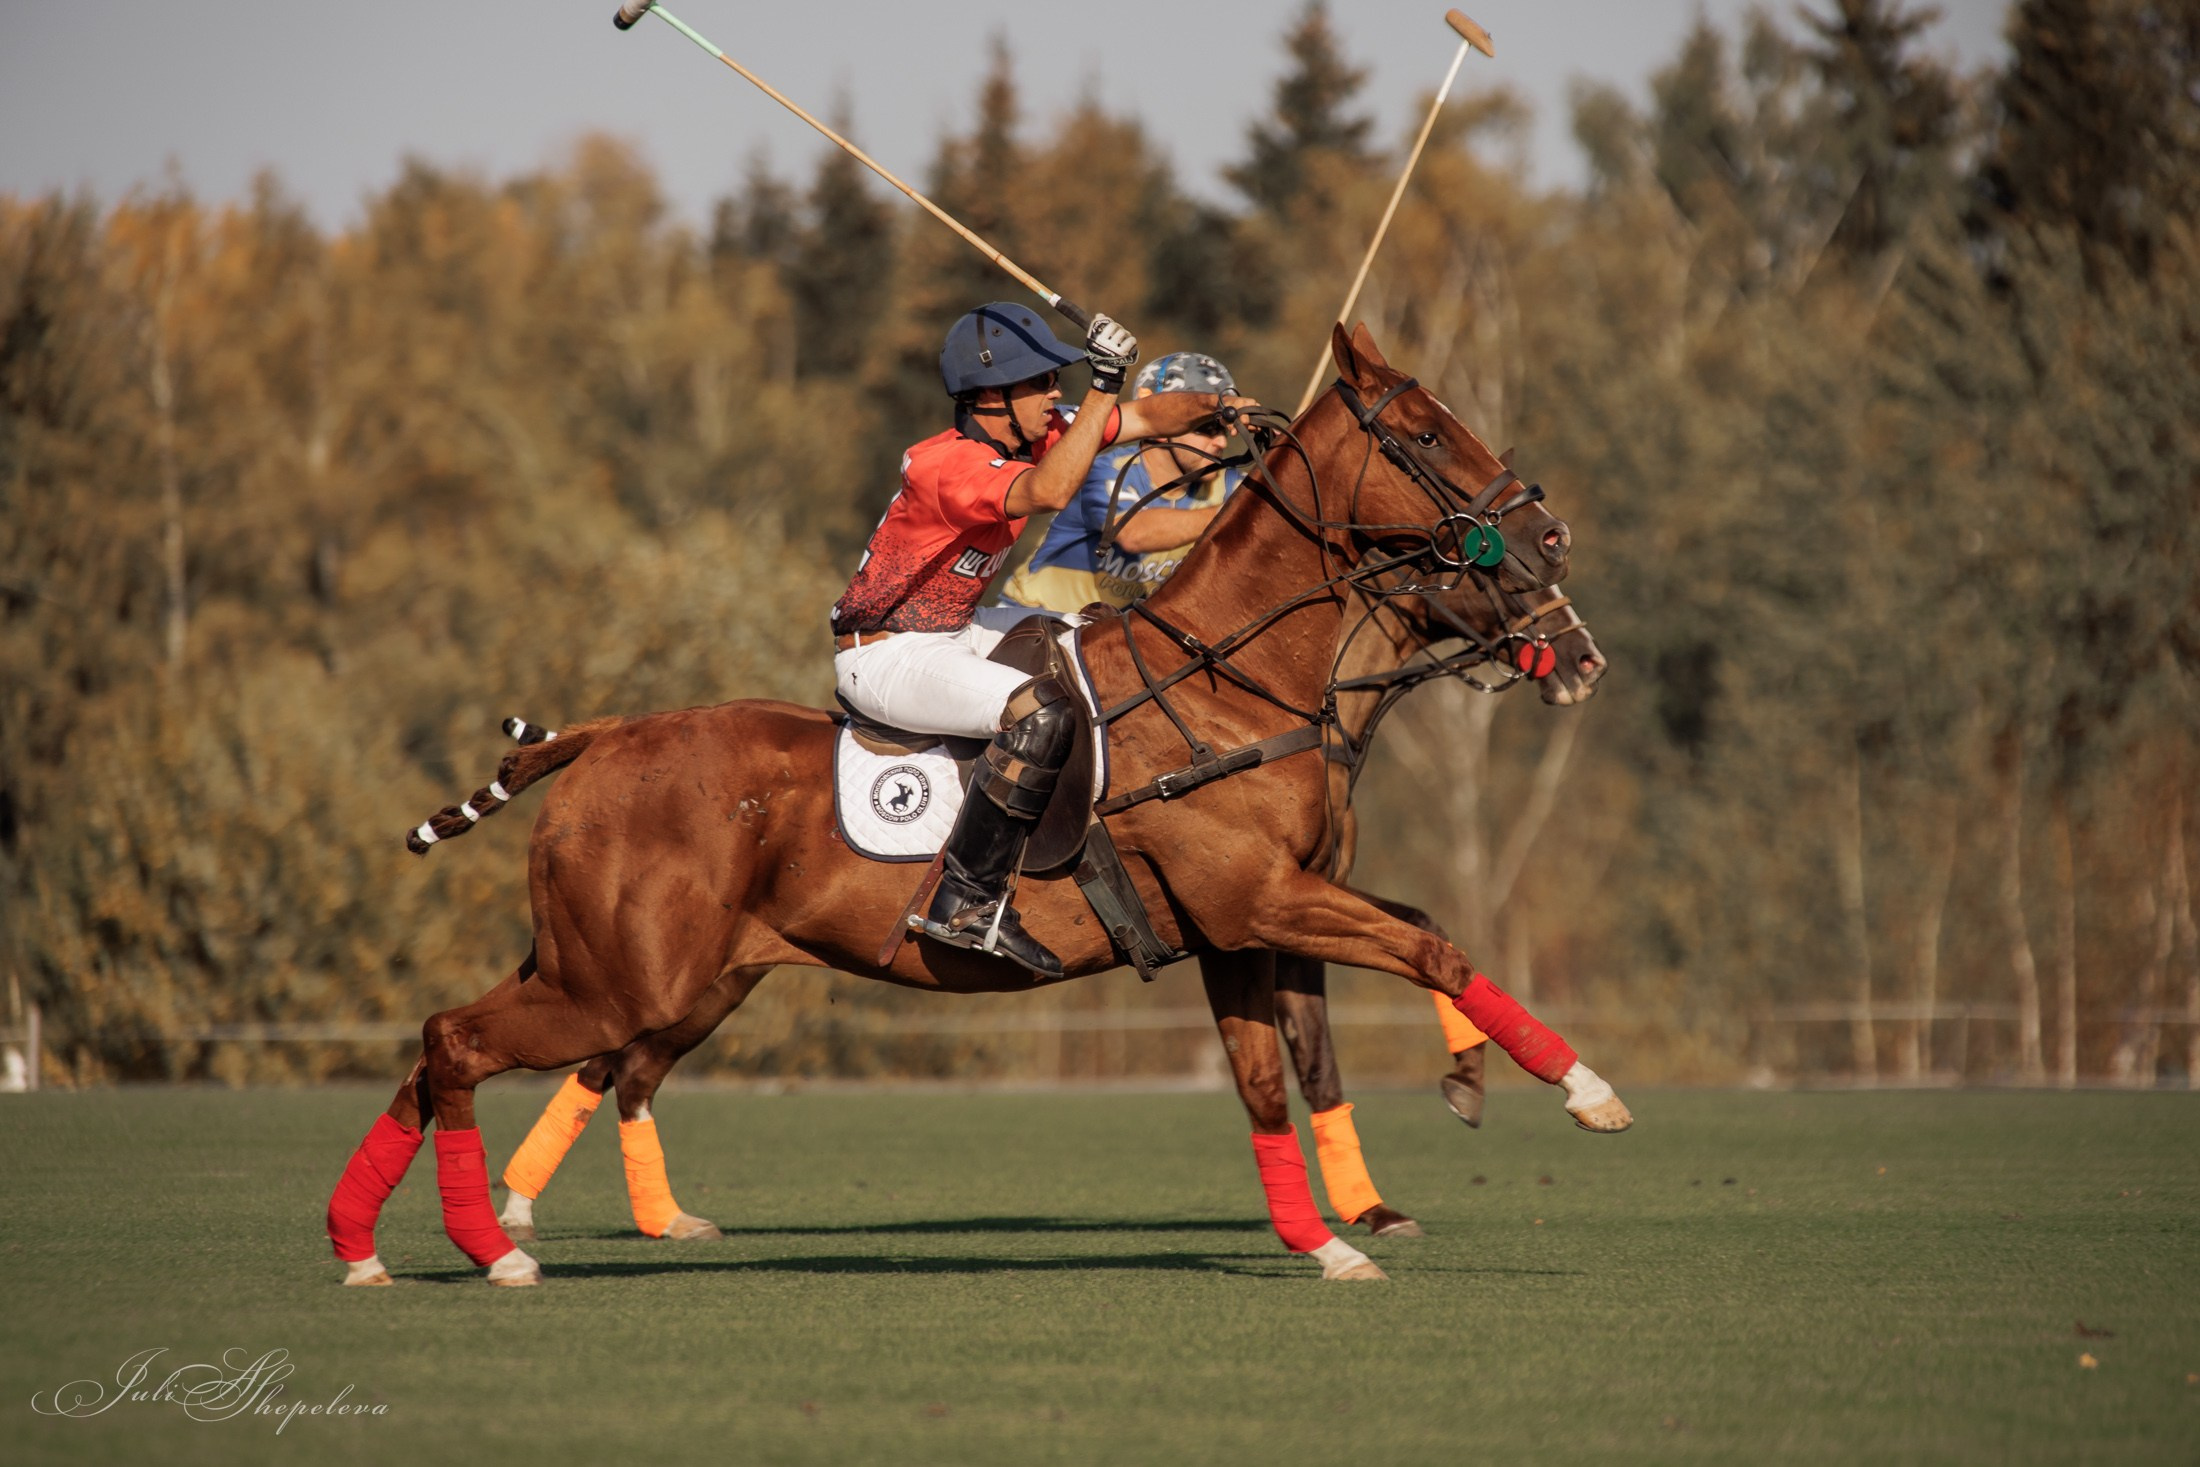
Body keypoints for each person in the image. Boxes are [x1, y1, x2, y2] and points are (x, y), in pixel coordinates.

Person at [831, 304, 1256, 977]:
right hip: (887, 653)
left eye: (1061, 380)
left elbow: (1147, 419)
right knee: (1042, 710)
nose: (1056, 393)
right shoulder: (949, 467)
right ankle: (963, 899)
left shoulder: (1030, 433)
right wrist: (1105, 383)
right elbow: (1054, 488)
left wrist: (1219, 407)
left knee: (1103, 638)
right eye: (1044, 382)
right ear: (993, 396)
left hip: (952, 631)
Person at [997, 352, 1245, 615]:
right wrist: (1238, 511)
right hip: (1032, 619)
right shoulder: (1102, 472)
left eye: (1223, 428)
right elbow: (1134, 534)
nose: (1221, 443)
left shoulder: (1225, 485)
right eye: (1207, 429)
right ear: (1166, 426)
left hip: (1106, 639)